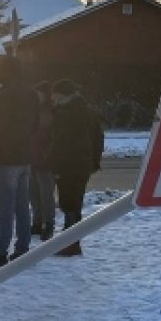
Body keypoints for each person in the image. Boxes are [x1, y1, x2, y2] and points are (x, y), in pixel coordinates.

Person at [0, 55, 40, 268]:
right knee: (23, 206)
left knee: (6, 208)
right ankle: (22, 248)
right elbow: (35, 124)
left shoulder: (6, 95)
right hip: (25, 156)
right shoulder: (30, 93)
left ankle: (0, 251)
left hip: (6, 157)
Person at [49, 79, 104, 256]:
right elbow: (98, 137)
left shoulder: (64, 113)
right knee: (75, 201)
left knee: (69, 202)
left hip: (68, 164)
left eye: (55, 94)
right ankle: (72, 239)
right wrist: (95, 160)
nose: (52, 97)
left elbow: (59, 142)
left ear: (63, 95)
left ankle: (70, 242)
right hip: (83, 163)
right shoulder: (87, 111)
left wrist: (55, 165)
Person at [29, 81, 57, 242]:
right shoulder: (34, 110)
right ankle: (37, 222)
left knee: (46, 194)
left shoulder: (50, 112)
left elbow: (51, 135)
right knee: (34, 194)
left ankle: (48, 224)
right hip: (32, 157)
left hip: (44, 159)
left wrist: (48, 154)